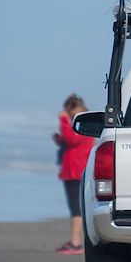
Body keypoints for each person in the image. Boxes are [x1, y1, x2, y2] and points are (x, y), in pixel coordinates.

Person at [53, 94, 95, 253]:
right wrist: (60, 139)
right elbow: (71, 142)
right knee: (75, 206)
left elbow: (73, 140)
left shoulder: (81, 122)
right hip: (74, 168)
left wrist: (63, 121)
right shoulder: (85, 121)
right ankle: (75, 241)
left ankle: (76, 242)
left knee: (76, 207)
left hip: (75, 170)